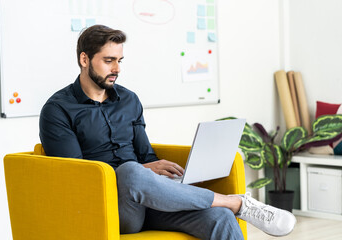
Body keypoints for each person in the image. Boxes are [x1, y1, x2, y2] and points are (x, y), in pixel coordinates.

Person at [39, 25, 296, 240]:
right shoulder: (58, 110)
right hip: (107, 209)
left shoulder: (129, 100)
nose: (117, 68)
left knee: (219, 218)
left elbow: (145, 155)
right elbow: (77, 177)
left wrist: (156, 169)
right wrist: (137, 172)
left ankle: (227, 207)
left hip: (147, 199)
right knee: (130, 171)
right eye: (108, 61)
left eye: (119, 60)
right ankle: (236, 202)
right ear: (85, 60)